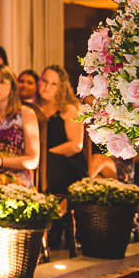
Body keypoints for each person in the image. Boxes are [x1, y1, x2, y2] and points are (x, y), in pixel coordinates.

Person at [0, 65, 39, 188]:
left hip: (18, 182)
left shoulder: (26, 114)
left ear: (12, 86)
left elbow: (33, 160)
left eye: (2, 82)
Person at [35, 65, 86, 195]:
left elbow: (76, 146)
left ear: (60, 88)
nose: (47, 87)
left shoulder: (69, 110)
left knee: (45, 164)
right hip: (38, 161)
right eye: (45, 81)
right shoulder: (32, 108)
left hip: (66, 164)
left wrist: (45, 155)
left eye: (54, 84)